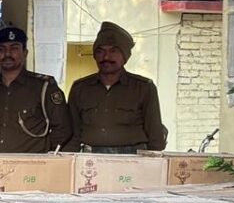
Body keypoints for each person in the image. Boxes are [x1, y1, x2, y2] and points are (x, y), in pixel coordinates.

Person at [68, 21, 167, 153]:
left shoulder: (143, 88)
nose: (106, 57)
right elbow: (72, 135)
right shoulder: (80, 88)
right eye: (100, 51)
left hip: (133, 159)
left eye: (113, 51)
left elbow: (155, 137)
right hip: (90, 160)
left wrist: (152, 162)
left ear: (125, 56)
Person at [0, 27, 73, 153]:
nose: (7, 54)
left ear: (25, 53)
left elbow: (63, 129)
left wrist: (44, 153)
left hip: (31, 163)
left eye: (14, 48)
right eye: (1, 50)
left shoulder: (43, 87)